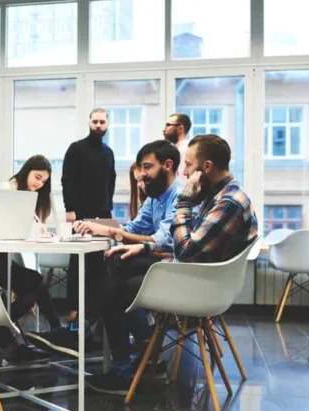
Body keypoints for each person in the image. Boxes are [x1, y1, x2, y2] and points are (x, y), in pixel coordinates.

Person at [85, 134, 258, 395]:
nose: (184, 172)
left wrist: (185, 201)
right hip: (196, 275)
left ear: (206, 168)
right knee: (118, 263)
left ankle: (110, 355)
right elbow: (184, 246)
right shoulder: (219, 195)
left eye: (188, 165)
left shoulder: (228, 202)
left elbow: (185, 251)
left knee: (119, 290)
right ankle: (118, 347)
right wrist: (144, 247)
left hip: (202, 287)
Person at [28, 141, 183, 359]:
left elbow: (163, 240)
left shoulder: (180, 195)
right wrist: (97, 226)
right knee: (115, 287)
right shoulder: (156, 197)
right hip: (157, 260)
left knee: (115, 262)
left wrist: (110, 232)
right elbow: (134, 228)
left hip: (176, 267)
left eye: (147, 167)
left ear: (167, 165)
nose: (142, 174)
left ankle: (83, 333)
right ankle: (117, 354)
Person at [0, 156, 61, 365]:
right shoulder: (8, 188)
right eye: (37, 177)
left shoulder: (26, 195)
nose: (39, 183)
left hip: (4, 256)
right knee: (35, 283)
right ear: (27, 171)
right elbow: (1, 224)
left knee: (33, 287)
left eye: (44, 181)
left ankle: (2, 333)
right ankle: (56, 331)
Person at [61, 108, 116, 321]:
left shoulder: (109, 152)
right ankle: (73, 308)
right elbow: (67, 180)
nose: (98, 125)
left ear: (107, 124)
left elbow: (111, 181)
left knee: (99, 263)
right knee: (77, 262)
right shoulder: (76, 148)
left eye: (102, 122)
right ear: (89, 123)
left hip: (103, 213)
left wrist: (109, 206)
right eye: (95, 121)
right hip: (80, 213)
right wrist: (70, 209)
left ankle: (95, 309)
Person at [163, 113, 192, 179]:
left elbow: (182, 178)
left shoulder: (185, 149)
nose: (164, 129)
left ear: (180, 128)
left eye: (168, 125)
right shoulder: (176, 148)